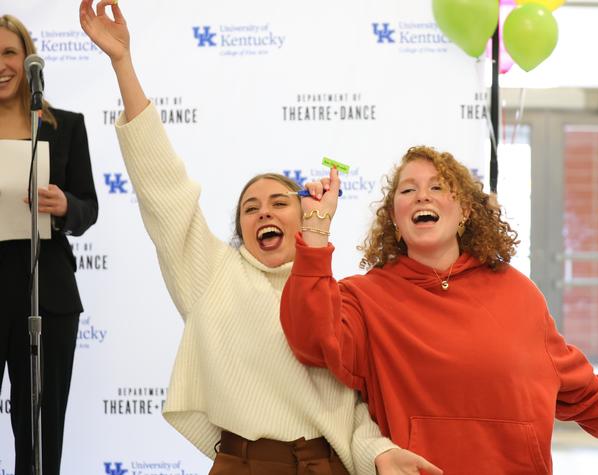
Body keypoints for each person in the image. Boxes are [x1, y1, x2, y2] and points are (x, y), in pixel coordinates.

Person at [79, 2, 442, 474]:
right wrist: (123, 63)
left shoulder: (334, 295)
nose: (264, 211)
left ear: (304, 216)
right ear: (242, 232)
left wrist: (381, 454)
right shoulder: (211, 273)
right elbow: (163, 189)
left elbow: (353, 411)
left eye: (278, 203)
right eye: (250, 208)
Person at [280, 146, 598, 474]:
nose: (423, 196)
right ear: (395, 223)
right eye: (408, 190)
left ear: (466, 212)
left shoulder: (518, 292)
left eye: (439, 187)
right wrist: (315, 232)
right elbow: (313, 340)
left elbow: (574, 382)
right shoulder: (365, 298)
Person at [0, 14, 99, 475]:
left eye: (8, 53)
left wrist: (64, 205)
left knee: (40, 432)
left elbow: (88, 208)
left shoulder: (66, 127)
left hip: (48, 296)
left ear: (28, 60)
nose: (1, 65)